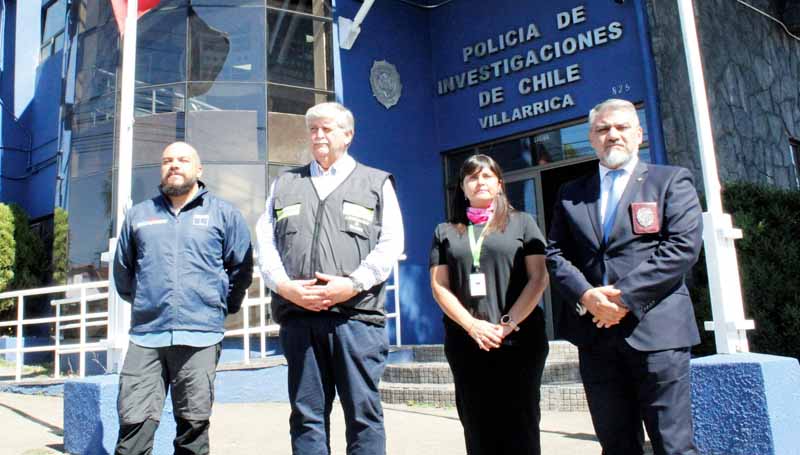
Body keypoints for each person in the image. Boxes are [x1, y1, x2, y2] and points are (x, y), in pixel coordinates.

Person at [546, 98, 703, 455]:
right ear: (591, 138)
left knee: (673, 445)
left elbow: (682, 247)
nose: (612, 135)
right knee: (616, 445)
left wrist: (622, 298)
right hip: (596, 337)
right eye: (603, 129)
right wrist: (587, 296)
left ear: (639, 134)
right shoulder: (571, 193)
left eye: (621, 127)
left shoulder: (670, 180)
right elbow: (555, 254)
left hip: (658, 334)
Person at [255, 102, 404, 455]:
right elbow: (265, 243)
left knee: (363, 416)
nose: (318, 135)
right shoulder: (285, 183)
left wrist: (352, 284)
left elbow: (391, 244)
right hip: (300, 319)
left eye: (327, 129)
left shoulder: (375, 183)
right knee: (306, 417)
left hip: (356, 320)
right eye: (313, 129)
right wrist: (284, 286)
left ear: (348, 135)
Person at [113, 141, 254, 454]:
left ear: (199, 169)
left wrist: (222, 306)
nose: (174, 165)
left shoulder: (224, 214)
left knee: (193, 428)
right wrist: (146, 302)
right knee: (133, 426)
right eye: (167, 160)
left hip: (201, 336)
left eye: (182, 160)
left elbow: (242, 269)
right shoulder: (139, 215)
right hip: (146, 337)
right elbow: (123, 271)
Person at [429, 154, 550, 455]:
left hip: (518, 340)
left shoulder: (523, 222)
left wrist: (508, 324)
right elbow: (439, 285)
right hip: (467, 342)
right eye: (472, 177)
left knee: (521, 425)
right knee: (477, 424)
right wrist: (472, 326)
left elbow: (538, 277)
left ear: (499, 184)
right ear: (462, 187)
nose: (480, 182)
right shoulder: (446, 230)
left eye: (487, 176)